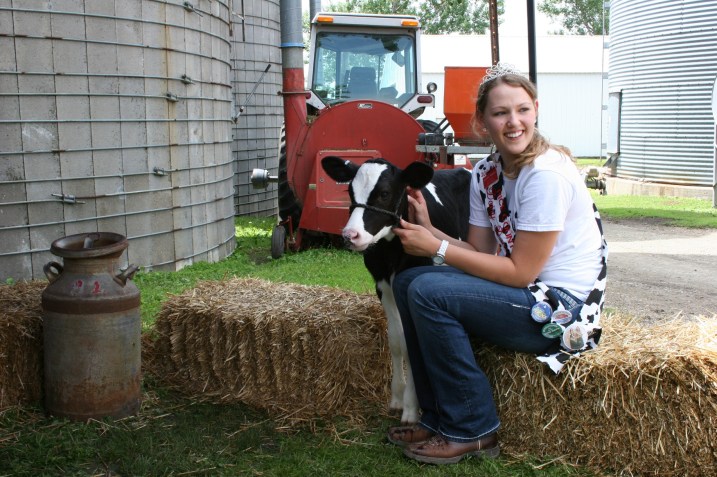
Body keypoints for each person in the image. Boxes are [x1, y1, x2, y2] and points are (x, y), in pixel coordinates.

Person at [386, 63, 608, 465]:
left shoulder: (545, 175)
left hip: (560, 308)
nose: (513, 122)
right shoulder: (487, 173)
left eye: (522, 110)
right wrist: (433, 233)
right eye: (500, 113)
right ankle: (438, 418)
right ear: (482, 121)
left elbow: (521, 272)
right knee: (410, 281)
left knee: (427, 288)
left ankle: (473, 427)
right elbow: (481, 254)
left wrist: (437, 250)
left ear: (536, 109)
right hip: (523, 291)